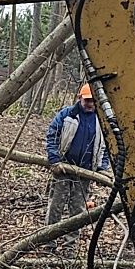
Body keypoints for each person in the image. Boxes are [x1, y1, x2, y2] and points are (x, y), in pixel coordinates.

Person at [44, 83, 108, 223]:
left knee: (78, 209)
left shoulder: (102, 120)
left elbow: (108, 146)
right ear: (80, 98)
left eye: (92, 101)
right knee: (56, 206)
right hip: (64, 168)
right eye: (87, 100)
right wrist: (54, 159)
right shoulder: (67, 115)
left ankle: (70, 244)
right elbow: (52, 136)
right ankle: (49, 241)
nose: (90, 104)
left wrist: (102, 167)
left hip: (86, 171)